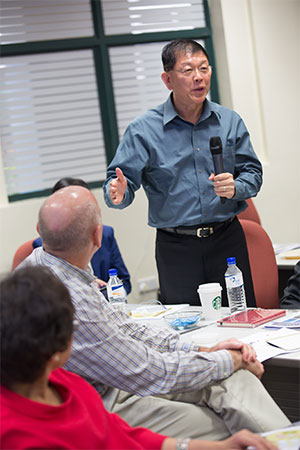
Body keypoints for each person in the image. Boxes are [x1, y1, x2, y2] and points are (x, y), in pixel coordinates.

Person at [17, 185, 290, 441]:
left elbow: (124, 327)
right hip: (99, 405)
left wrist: (204, 351)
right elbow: (149, 373)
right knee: (225, 425)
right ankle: (283, 442)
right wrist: (228, 360)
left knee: (233, 381)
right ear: (97, 236)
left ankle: (287, 441)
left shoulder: (50, 265)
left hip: (117, 382)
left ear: (38, 231)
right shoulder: (67, 297)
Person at [0, 266, 277, 450]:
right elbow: (148, 374)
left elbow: (125, 437)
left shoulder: (66, 385)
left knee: (230, 393)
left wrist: (224, 447)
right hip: (133, 389)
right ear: (59, 353)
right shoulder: (17, 433)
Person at [103, 38, 262, 308]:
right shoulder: (144, 130)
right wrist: (117, 192)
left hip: (227, 242)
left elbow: (253, 173)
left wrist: (236, 187)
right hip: (176, 247)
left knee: (241, 318)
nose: (199, 77)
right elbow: (122, 184)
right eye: (188, 71)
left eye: (204, 68)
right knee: (185, 328)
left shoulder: (229, 121)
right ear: (167, 79)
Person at [32, 177, 131, 294]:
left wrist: (103, 292)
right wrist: (87, 287)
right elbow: (49, 296)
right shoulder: (44, 246)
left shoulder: (105, 234)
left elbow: (124, 283)